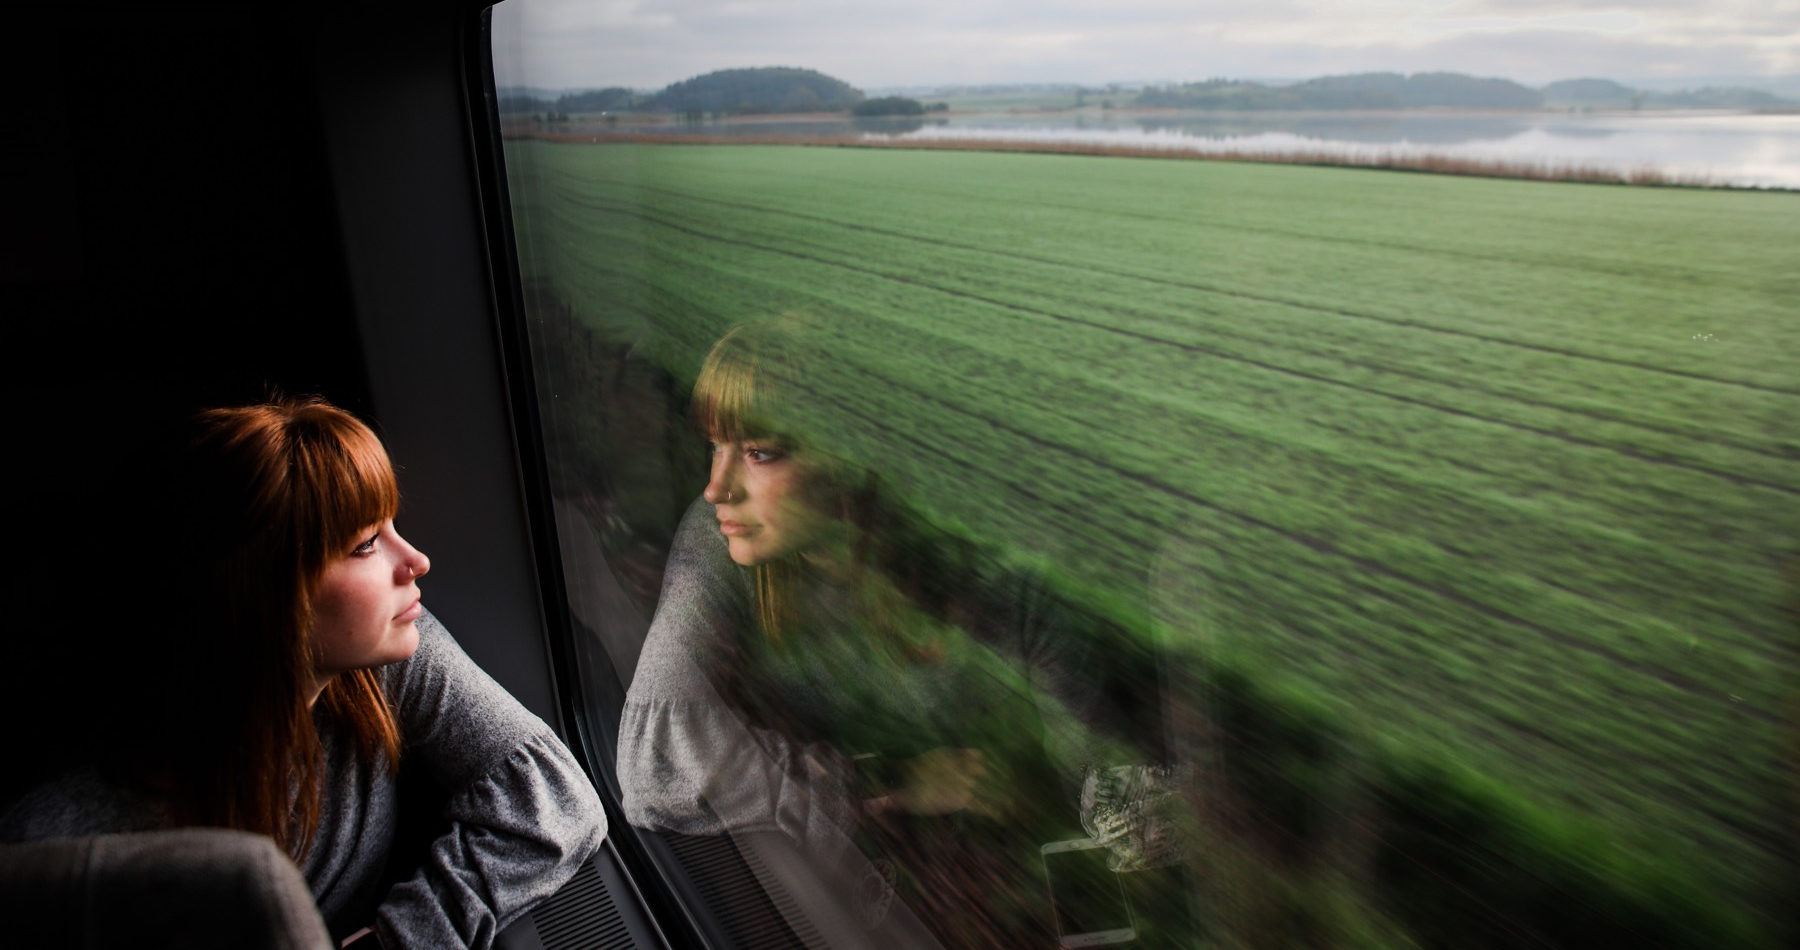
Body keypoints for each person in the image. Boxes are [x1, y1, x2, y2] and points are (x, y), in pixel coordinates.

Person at [0, 398, 606, 950]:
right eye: (366, 544)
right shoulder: (53, 849)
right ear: (263, 599)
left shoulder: (378, 667)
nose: (416, 561)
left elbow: (555, 796)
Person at [618, 317, 1099, 943]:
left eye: (760, 452)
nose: (716, 487)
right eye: (716, 445)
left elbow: (1089, 777)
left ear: (855, 455)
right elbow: (653, 767)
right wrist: (883, 782)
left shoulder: (994, 574)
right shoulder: (718, 541)